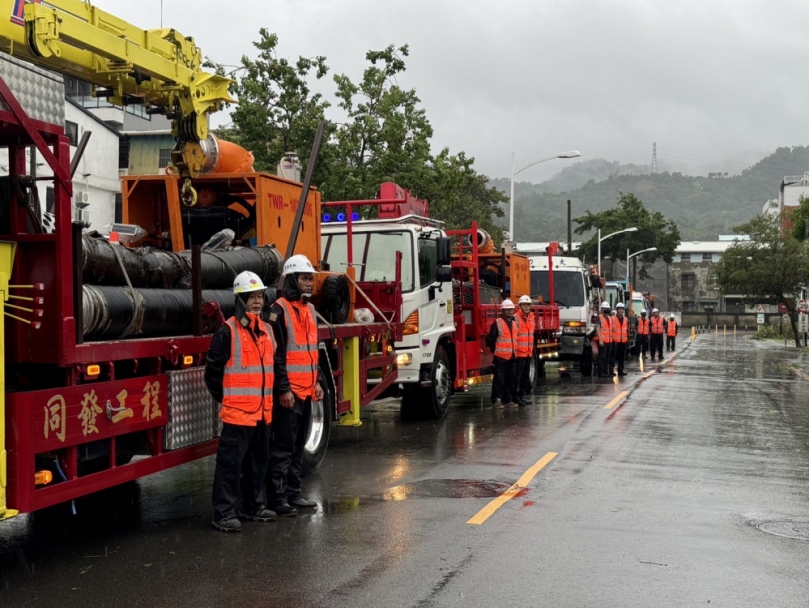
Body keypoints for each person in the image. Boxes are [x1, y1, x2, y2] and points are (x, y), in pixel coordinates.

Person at [206, 271, 277, 532]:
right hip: (238, 414)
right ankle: (223, 513)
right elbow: (213, 373)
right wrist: (228, 400)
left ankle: (253, 506)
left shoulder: (267, 329)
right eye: (251, 297)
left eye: (260, 296)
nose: (257, 302)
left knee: (258, 463)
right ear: (240, 300)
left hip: (262, 413)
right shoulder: (227, 332)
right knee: (230, 465)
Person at [267, 255, 323, 517]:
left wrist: (317, 382)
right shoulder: (278, 311)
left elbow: (312, 350)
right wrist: (283, 389)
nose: (310, 283)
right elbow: (276, 356)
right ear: (291, 280)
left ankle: (293, 493)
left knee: (299, 445)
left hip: (306, 391)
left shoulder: (309, 310)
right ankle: (278, 499)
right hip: (289, 394)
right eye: (304, 278)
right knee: (283, 447)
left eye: (311, 278)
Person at [486, 299, 518, 407]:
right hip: (501, 357)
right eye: (508, 309)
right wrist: (496, 350)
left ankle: (507, 400)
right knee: (499, 379)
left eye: (511, 309)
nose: (510, 311)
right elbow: (491, 339)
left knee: (510, 379)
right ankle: (497, 399)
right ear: (503, 310)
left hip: (512, 356)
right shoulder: (498, 322)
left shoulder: (514, 323)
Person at [514, 295, 536, 406]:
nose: (526, 307)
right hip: (519, 353)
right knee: (517, 377)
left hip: (528, 353)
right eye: (524, 305)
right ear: (520, 306)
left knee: (525, 377)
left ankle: (521, 397)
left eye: (528, 305)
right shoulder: (515, 318)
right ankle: (515, 397)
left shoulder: (531, 318)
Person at [612, 302, 629, 376]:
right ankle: (611, 370)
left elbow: (626, 330)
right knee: (613, 357)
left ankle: (620, 371)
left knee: (622, 357)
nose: (620, 310)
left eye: (622, 309)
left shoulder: (625, 319)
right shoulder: (612, 319)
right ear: (617, 310)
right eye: (619, 309)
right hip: (615, 341)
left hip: (623, 341)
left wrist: (627, 339)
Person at [596, 301, 613, 378]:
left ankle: (606, 372)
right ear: (602, 309)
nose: (606, 311)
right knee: (602, 357)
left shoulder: (609, 318)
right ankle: (601, 372)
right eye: (605, 309)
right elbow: (597, 328)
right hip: (603, 341)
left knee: (607, 357)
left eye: (607, 309)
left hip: (609, 341)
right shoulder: (599, 318)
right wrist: (600, 340)